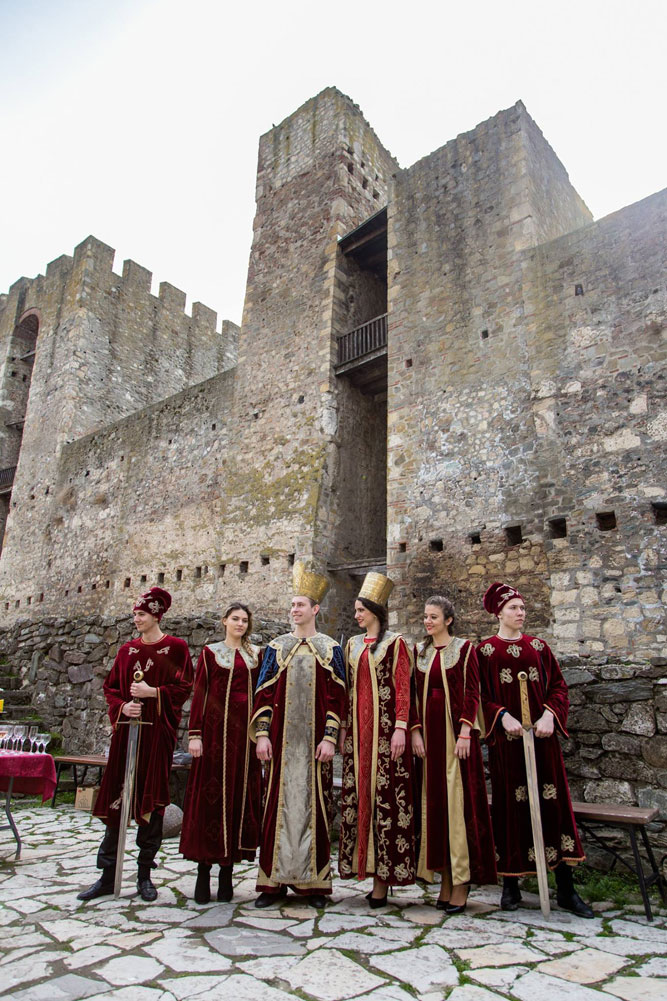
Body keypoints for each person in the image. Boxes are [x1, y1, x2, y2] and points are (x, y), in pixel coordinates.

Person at [477, 581, 594, 918]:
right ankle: (510, 885)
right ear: (499, 613)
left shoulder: (539, 648)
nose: (521, 613)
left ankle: (566, 889)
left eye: (523, 608)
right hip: (507, 747)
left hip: (543, 745)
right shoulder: (485, 652)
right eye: (514, 608)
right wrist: (501, 716)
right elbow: (479, 696)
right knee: (510, 810)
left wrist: (549, 715)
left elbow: (558, 687)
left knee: (553, 808)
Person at [77, 587, 193, 902]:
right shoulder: (127, 651)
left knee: (152, 804)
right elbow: (111, 688)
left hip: (156, 737)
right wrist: (123, 707)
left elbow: (184, 686)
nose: (136, 619)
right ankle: (107, 876)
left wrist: (153, 693)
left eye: (141, 614)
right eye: (135, 615)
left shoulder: (176, 648)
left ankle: (144, 876)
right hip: (126, 737)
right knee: (117, 801)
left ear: (156, 615)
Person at [250, 563, 346, 909]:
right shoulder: (276, 648)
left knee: (316, 808)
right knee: (274, 808)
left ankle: (314, 886)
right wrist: (262, 735)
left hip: (315, 746)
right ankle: (271, 884)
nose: (295, 610)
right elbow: (263, 694)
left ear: (315, 609)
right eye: (292, 605)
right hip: (281, 745)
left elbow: (338, 698)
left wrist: (330, 738)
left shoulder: (330, 649)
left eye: (301, 605)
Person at [411, 596, 496, 912]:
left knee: (458, 808)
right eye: (425, 616)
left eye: (433, 617)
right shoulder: (420, 653)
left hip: (455, 740)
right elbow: (412, 694)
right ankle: (445, 878)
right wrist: (415, 732)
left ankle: (461, 881)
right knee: (436, 809)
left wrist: (465, 732)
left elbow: (473, 692)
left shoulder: (465, 650)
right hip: (429, 741)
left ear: (448, 620)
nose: (427, 621)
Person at [338, 572, 415, 907]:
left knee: (386, 801)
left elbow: (403, 687)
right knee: (359, 797)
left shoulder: (396, 643)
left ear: (375, 611)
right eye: (356, 610)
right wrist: (343, 728)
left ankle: (384, 879)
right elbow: (346, 690)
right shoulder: (352, 645)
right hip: (358, 736)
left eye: (361, 610)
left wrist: (401, 727)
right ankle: (363, 868)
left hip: (385, 736)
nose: (356, 615)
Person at [179, 602, 262, 903]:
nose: (240, 624)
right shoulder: (210, 653)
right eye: (235, 619)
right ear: (224, 621)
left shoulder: (255, 656)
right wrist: (195, 734)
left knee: (238, 801)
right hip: (214, 738)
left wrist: (261, 734)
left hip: (244, 742)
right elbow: (199, 693)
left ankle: (227, 873)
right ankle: (203, 872)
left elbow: (261, 696)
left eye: (245, 620)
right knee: (209, 803)